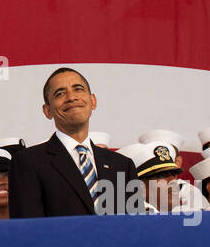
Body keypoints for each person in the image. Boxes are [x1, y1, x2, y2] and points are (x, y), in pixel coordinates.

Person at [9, 67, 138, 217]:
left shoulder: (122, 165)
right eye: (60, 93)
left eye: (78, 89)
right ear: (47, 111)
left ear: (93, 101)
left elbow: (133, 228)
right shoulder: (28, 162)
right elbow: (28, 230)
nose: (71, 97)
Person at [117, 141, 186, 213]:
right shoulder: (131, 221)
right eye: (162, 175)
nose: (173, 181)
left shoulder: (184, 216)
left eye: (174, 174)